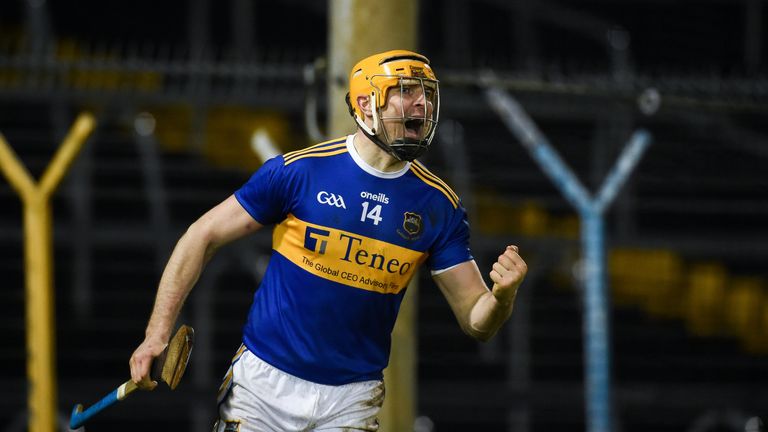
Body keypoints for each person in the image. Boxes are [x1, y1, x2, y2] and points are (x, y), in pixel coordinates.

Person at [129, 49, 527, 432]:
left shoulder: (439, 206)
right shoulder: (299, 172)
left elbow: (476, 318)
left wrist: (501, 299)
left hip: (352, 398)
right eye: (405, 91)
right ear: (367, 104)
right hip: (264, 384)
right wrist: (156, 335)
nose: (421, 103)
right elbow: (201, 235)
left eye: (425, 93)